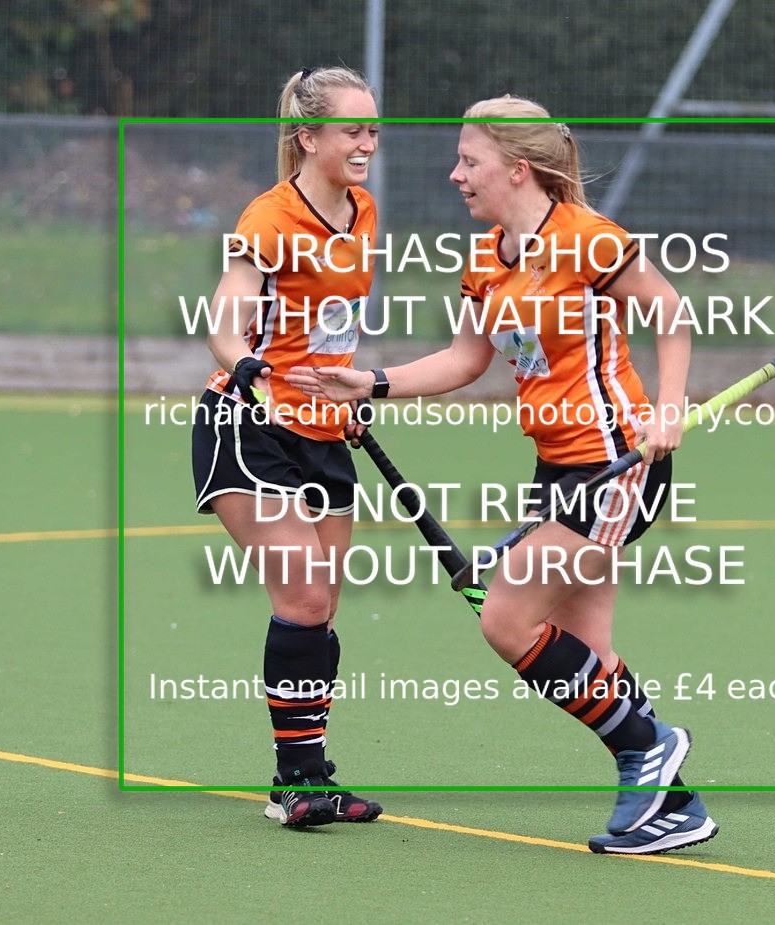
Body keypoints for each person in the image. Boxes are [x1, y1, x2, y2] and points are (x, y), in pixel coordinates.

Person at [288, 95, 719, 855]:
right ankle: (673, 804)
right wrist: (372, 383)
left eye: (470, 161)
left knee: (505, 618)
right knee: (587, 649)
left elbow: (670, 314)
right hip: (556, 469)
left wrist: (671, 408)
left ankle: (650, 746)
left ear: (518, 169)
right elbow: (465, 360)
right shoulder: (489, 256)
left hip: (617, 462)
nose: (456, 175)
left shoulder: (587, 238)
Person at [191, 66, 383, 828]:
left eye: (373, 130)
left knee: (320, 609)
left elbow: (332, 325)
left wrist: (347, 393)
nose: (367, 143)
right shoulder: (269, 217)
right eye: (352, 130)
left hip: (325, 431)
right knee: (302, 596)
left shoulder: (363, 211)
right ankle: (298, 782)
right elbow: (225, 317)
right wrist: (245, 363)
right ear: (308, 136)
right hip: (250, 423)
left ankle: (304, 778)